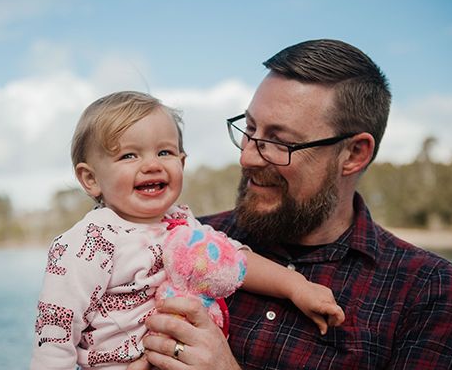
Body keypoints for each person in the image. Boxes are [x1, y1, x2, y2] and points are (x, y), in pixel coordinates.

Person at [135, 39, 452, 370]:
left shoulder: (427, 292)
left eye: (278, 141)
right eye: (250, 129)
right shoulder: (183, 242)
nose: (247, 156)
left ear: (354, 154)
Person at [30, 91, 345, 370]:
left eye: (164, 152)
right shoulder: (88, 242)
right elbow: (56, 328)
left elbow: (233, 262)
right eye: (128, 155)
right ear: (91, 179)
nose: (152, 164)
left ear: (182, 161)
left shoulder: (181, 225)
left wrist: (295, 286)